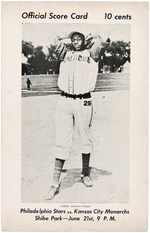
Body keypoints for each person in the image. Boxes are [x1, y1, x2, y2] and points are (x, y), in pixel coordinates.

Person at [45, 31, 110, 200]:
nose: (76, 41)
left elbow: (103, 40)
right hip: (64, 100)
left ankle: (85, 174)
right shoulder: (65, 53)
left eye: (79, 38)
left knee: (85, 138)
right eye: (73, 39)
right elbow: (52, 39)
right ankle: (54, 183)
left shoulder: (92, 54)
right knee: (62, 140)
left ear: (84, 40)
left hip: (84, 100)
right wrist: (66, 38)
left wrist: (91, 38)